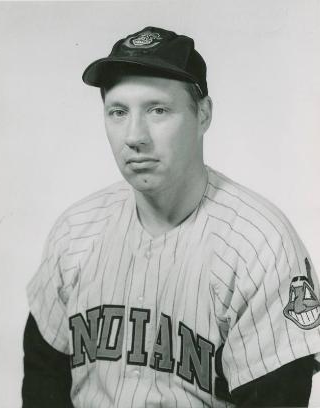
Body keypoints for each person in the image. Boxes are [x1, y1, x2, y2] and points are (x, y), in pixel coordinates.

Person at [22, 26, 320, 408]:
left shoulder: (260, 245)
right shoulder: (75, 230)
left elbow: (278, 399)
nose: (135, 136)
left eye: (157, 110)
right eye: (118, 112)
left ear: (204, 115)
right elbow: (43, 373)